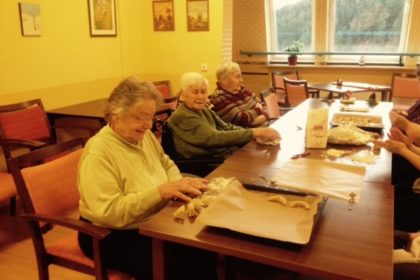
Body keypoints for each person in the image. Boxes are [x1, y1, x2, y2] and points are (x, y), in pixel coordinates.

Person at [77, 76, 215, 280]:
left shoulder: (143, 135)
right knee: (181, 262)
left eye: (151, 117)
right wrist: (161, 192)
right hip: (109, 234)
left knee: (204, 246)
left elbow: (166, 162)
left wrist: (177, 186)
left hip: (151, 219)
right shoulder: (99, 152)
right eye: (141, 117)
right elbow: (109, 213)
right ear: (115, 114)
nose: (148, 125)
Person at [168, 72, 280, 160]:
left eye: (203, 92)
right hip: (207, 163)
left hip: (225, 155)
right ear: (183, 94)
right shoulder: (183, 115)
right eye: (195, 92)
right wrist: (255, 132)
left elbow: (227, 127)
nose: (200, 96)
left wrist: (255, 135)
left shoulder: (203, 110)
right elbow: (214, 138)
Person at [210, 61, 268, 127]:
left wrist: (264, 116)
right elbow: (241, 119)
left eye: (240, 76)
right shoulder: (218, 98)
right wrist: (258, 110)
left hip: (264, 128)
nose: (241, 80)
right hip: (251, 135)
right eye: (237, 77)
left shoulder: (242, 89)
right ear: (224, 80)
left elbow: (262, 104)